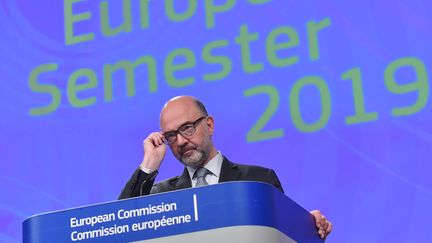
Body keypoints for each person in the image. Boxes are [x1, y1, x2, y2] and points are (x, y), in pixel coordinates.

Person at [119, 95, 332, 239]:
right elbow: (119, 229)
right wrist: (149, 165)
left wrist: (306, 225)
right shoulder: (161, 195)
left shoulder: (258, 180)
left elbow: (279, 235)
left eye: (187, 128)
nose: (181, 141)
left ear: (209, 125)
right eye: (171, 136)